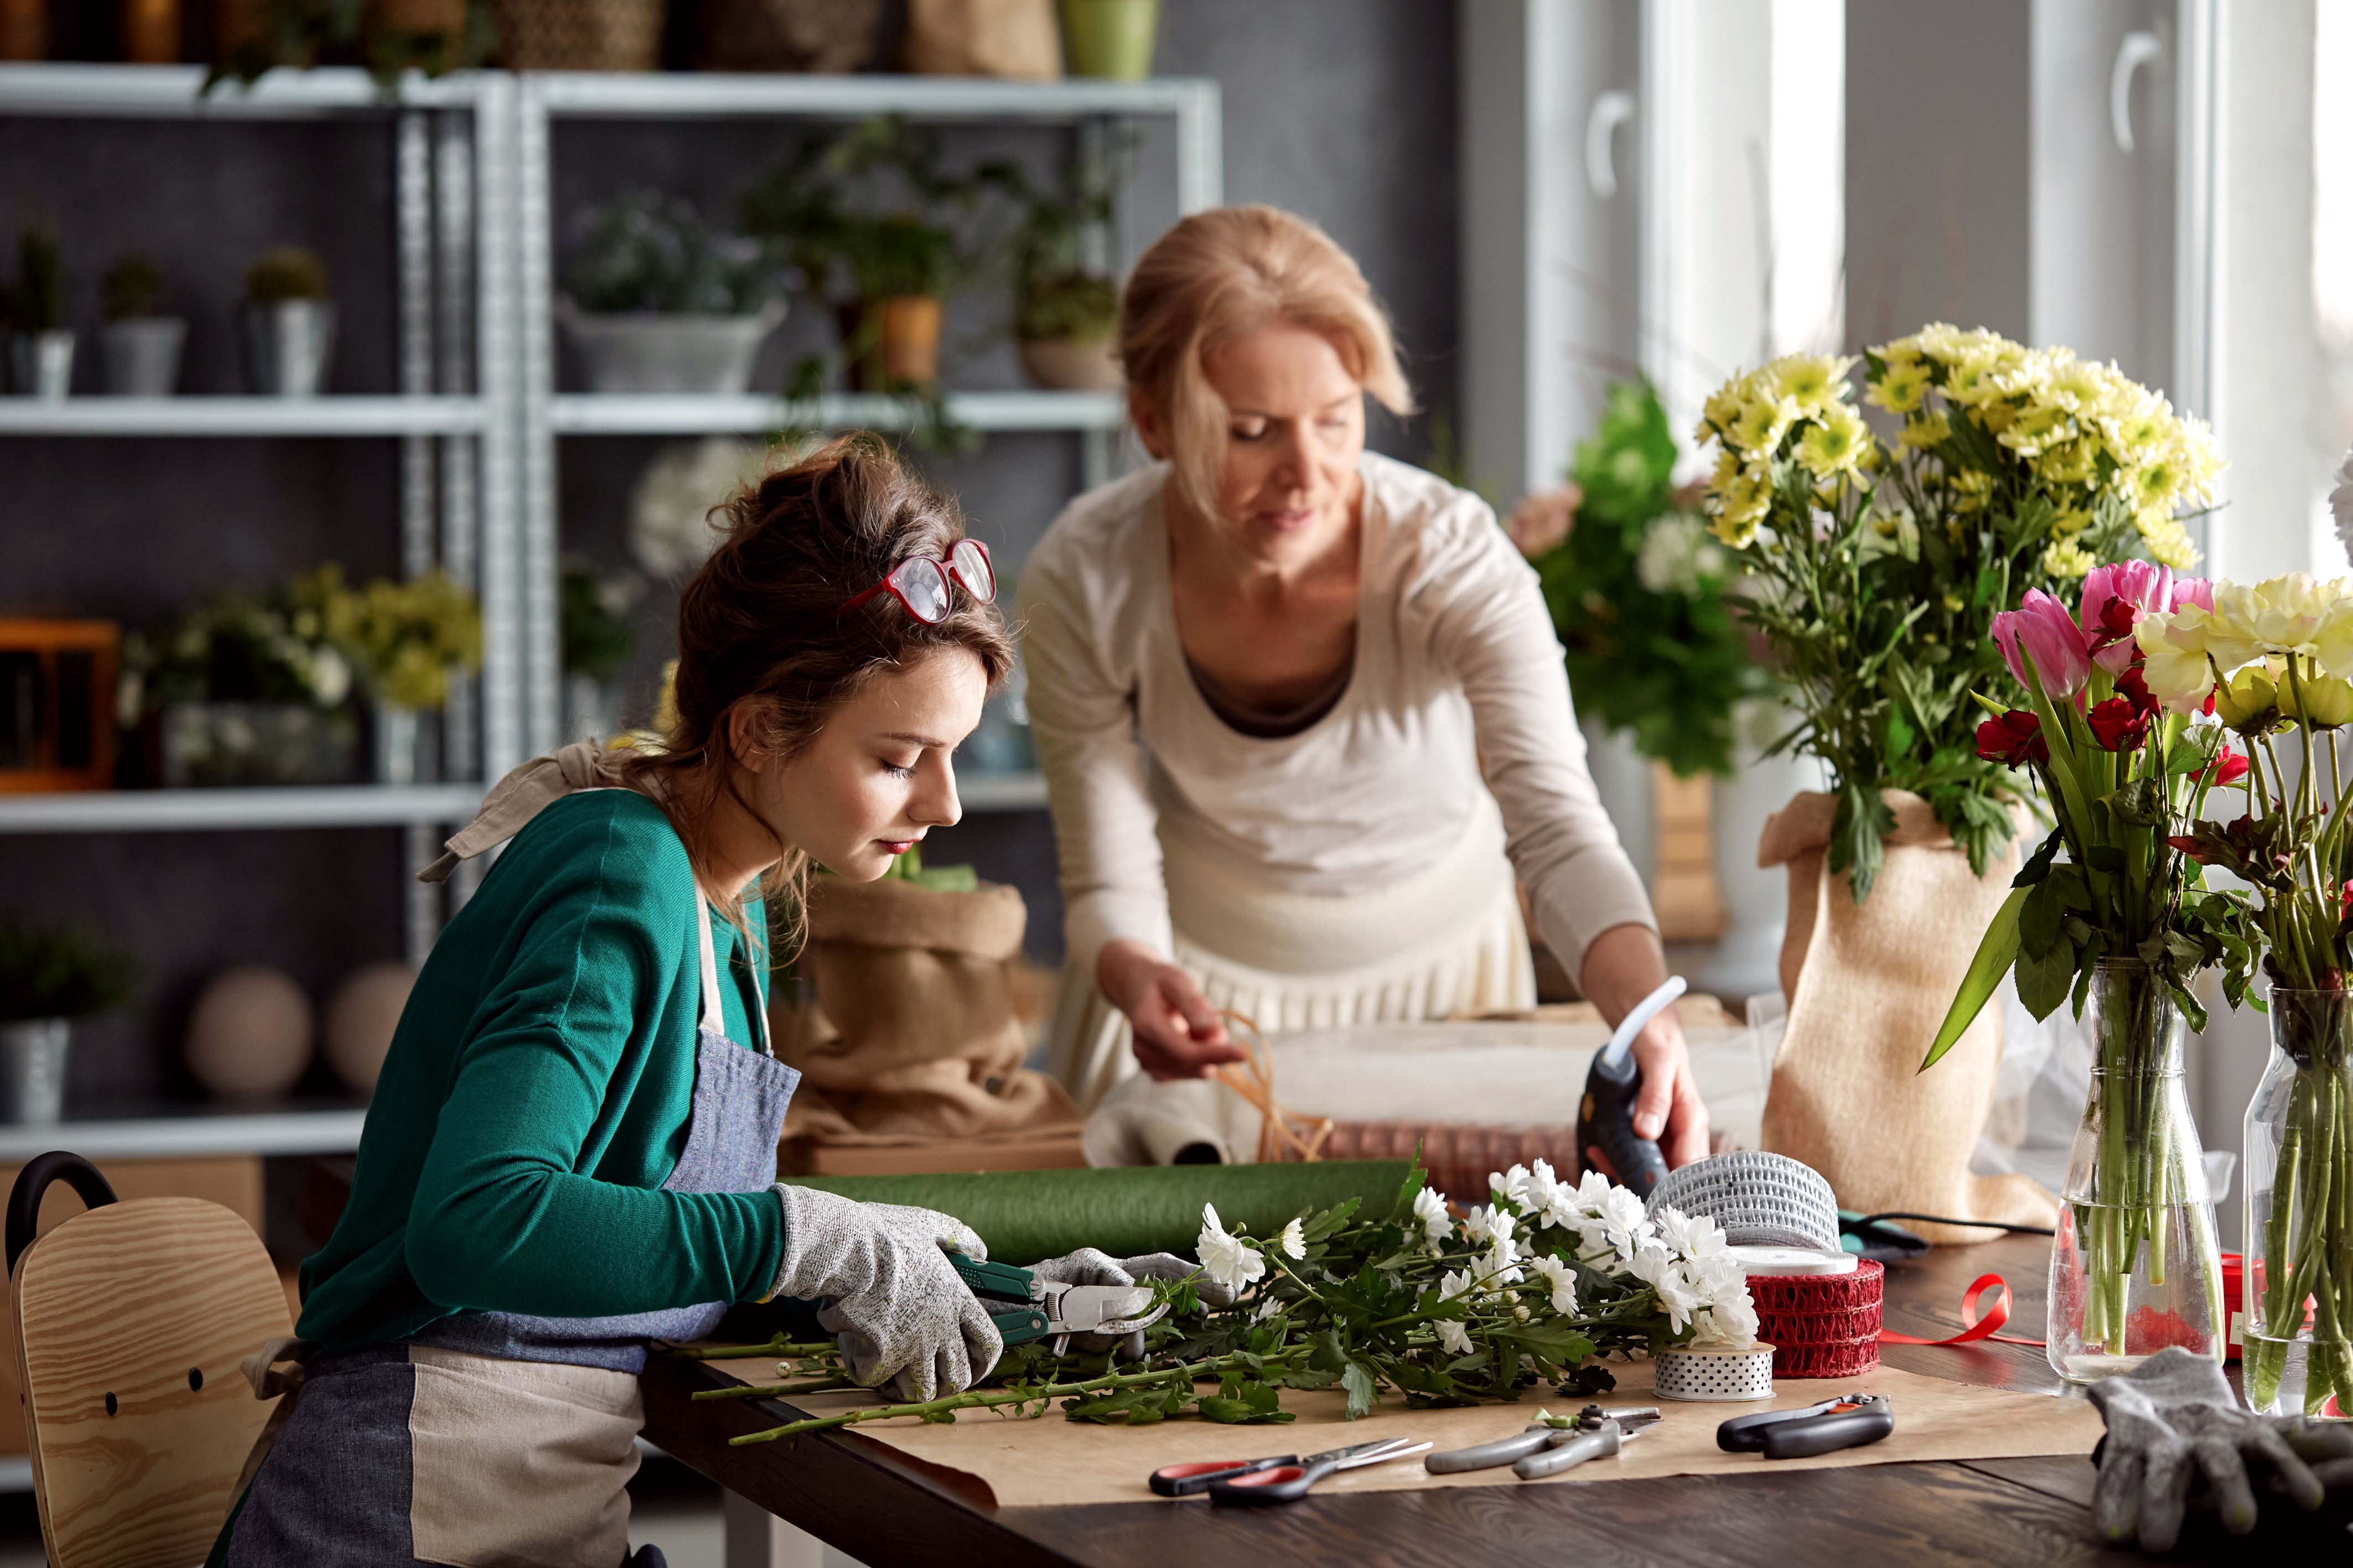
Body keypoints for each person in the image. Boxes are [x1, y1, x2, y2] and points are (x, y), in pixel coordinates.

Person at [210, 438, 1195, 1568]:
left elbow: (663, 1248)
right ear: (757, 725)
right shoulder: (614, 871)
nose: (946, 802)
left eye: (953, 754)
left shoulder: (722, 913)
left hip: (532, 1507)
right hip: (399, 1509)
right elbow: (476, 1224)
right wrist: (804, 1232)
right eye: (899, 755)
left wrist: (1009, 1293)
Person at [1020, 206, 1710, 1171]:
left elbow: (1556, 823)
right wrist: (1135, 970)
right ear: (1151, 421)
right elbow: (1107, 877)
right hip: (1196, 1004)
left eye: (1337, 422)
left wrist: (1646, 1015)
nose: (1307, 475)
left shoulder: (1451, 555)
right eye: (1252, 432)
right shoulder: (1085, 576)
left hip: (1447, 992)